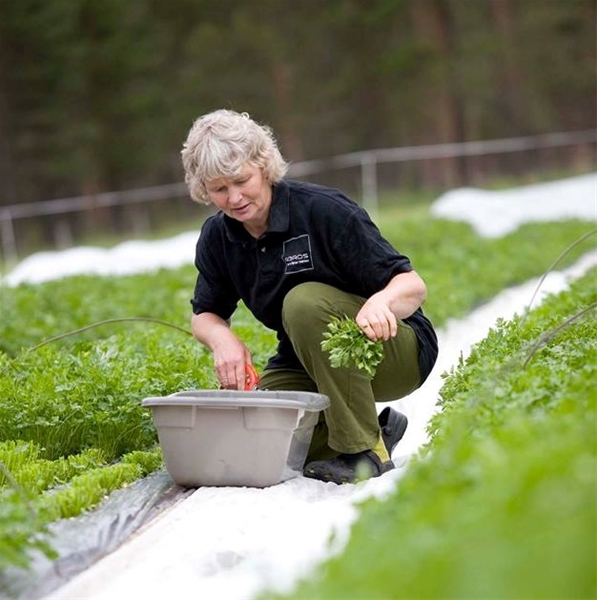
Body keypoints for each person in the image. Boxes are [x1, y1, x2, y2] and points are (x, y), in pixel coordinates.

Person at [181, 109, 438, 485]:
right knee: (261, 438)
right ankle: (377, 430)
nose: (234, 198)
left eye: (241, 180)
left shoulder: (323, 210)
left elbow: (411, 285)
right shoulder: (219, 237)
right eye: (220, 189)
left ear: (263, 165)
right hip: (305, 358)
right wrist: (222, 339)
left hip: (391, 350)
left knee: (302, 301)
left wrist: (380, 302)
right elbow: (205, 313)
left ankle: (364, 452)